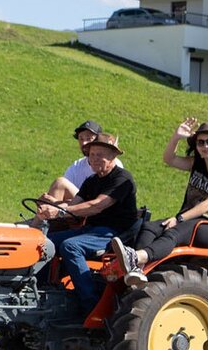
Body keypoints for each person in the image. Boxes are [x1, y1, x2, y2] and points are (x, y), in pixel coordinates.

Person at [112, 119, 208, 287]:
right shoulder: (196, 164)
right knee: (150, 227)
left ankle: (138, 256)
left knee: (173, 233)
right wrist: (176, 137)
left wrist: (179, 218)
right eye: (201, 142)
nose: (205, 146)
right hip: (188, 220)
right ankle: (138, 269)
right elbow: (169, 159)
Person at [36, 133, 137, 315]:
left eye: (100, 154)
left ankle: (91, 305)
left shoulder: (122, 179)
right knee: (45, 241)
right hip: (91, 230)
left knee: (70, 246)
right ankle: (40, 292)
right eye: (92, 155)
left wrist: (58, 211)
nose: (95, 158)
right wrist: (51, 205)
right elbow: (73, 207)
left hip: (113, 233)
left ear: (113, 156)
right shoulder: (92, 181)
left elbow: (96, 206)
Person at [42, 120, 123, 203]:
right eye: (81, 139)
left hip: (98, 209)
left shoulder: (113, 165)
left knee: (60, 183)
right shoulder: (77, 167)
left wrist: (55, 203)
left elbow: (100, 204)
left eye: (89, 138)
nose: (84, 143)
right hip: (81, 208)